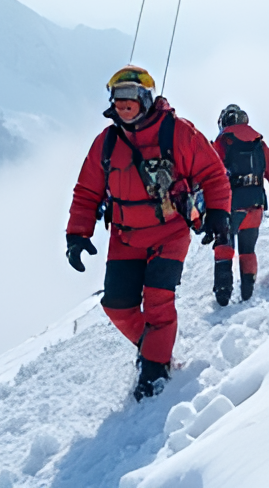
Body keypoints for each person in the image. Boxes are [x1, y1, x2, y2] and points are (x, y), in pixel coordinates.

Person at [65, 66, 231, 401]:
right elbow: (86, 192)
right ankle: (156, 349)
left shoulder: (179, 133)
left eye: (130, 98)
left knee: (158, 302)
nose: (124, 105)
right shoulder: (107, 143)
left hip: (170, 232)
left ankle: (154, 371)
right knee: (116, 305)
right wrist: (77, 234)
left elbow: (213, 174)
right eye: (118, 98)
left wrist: (219, 214)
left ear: (145, 99)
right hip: (125, 236)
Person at [211, 104, 269, 306]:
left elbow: (210, 174)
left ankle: (223, 296)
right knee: (248, 250)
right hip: (255, 205)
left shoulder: (222, 143)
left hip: (230, 206)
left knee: (224, 247)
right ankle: (247, 293)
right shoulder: (259, 145)